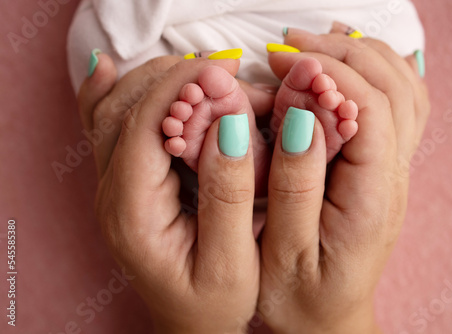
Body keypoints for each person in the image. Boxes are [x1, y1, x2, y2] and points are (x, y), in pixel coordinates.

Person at [70, 1, 429, 333]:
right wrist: (332, 322)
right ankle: (295, 133)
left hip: (207, 47)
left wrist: (191, 325)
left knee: (391, 41)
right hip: (305, 42)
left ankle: (225, 126)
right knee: (387, 62)